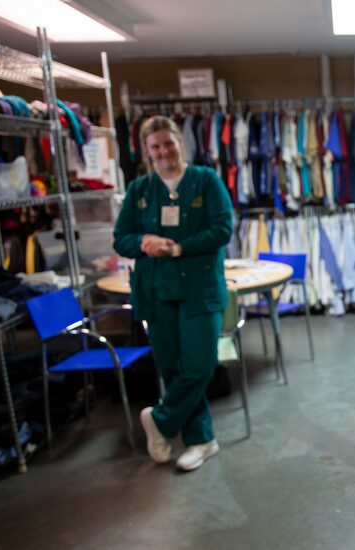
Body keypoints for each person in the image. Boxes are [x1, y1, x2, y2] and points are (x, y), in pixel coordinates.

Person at [113, 115, 233, 471]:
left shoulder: (206, 181)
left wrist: (179, 248)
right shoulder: (139, 190)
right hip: (157, 291)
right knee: (173, 368)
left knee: (198, 365)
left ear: (180, 142)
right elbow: (121, 239)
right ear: (147, 151)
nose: (164, 151)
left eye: (169, 143)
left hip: (200, 289)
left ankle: (161, 420)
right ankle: (201, 440)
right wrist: (143, 241)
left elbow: (222, 229)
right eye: (155, 146)